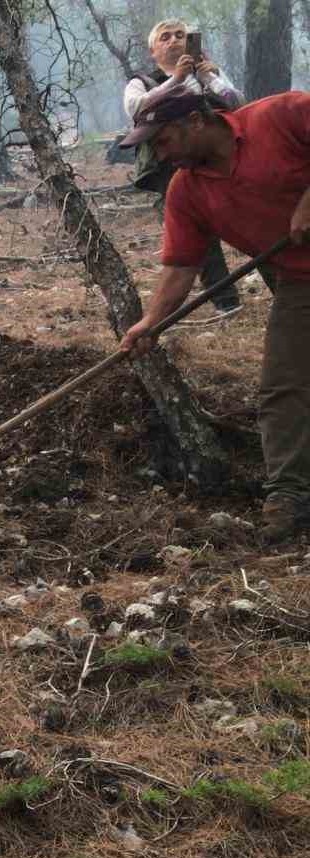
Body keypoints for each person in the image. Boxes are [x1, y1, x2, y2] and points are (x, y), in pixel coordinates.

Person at [117, 90, 310, 543]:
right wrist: (151, 322)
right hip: (301, 280)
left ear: (195, 121)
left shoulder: (282, 115)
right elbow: (181, 266)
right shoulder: (186, 191)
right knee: (284, 387)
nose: (158, 154)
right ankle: (289, 497)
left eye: (162, 141)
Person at [124, 18, 246, 314]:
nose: (175, 40)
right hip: (170, 164)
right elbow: (136, 108)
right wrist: (176, 80)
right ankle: (226, 302)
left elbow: (238, 104)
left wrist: (213, 78)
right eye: (165, 37)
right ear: (153, 50)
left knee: (244, 217)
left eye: (180, 35)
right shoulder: (140, 81)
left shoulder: (206, 73)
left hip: (217, 157)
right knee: (197, 231)